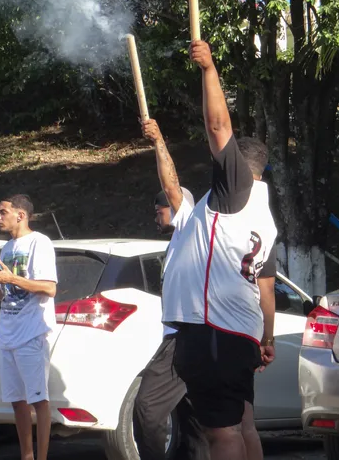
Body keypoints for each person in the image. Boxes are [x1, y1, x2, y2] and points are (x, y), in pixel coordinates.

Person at [162, 40, 278, 460]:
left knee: (221, 433)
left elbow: (217, 127)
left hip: (214, 330)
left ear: (237, 166)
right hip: (240, 332)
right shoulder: (264, 218)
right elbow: (266, 287)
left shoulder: (235, 189)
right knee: (243, 423)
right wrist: (266, 336)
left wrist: (210, 70)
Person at [133, 118, 207, 460]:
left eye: (158, 208)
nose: (155, 214)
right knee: (195, 419)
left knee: (147, 407)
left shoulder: (190, 223)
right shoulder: (180, 241)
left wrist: (159, 139)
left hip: (186, 336)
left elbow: (172, 183)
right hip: (184, 335)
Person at [0, 194, 57, 460]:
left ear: (21, 215)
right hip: (8, 332)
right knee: (17, 401)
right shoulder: (7, 249)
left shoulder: (40, 243)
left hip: (31, 332)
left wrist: (12, 277)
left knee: (38, 399)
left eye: (2, 212)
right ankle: (25, 456)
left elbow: (49, 287)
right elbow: (5, 293)